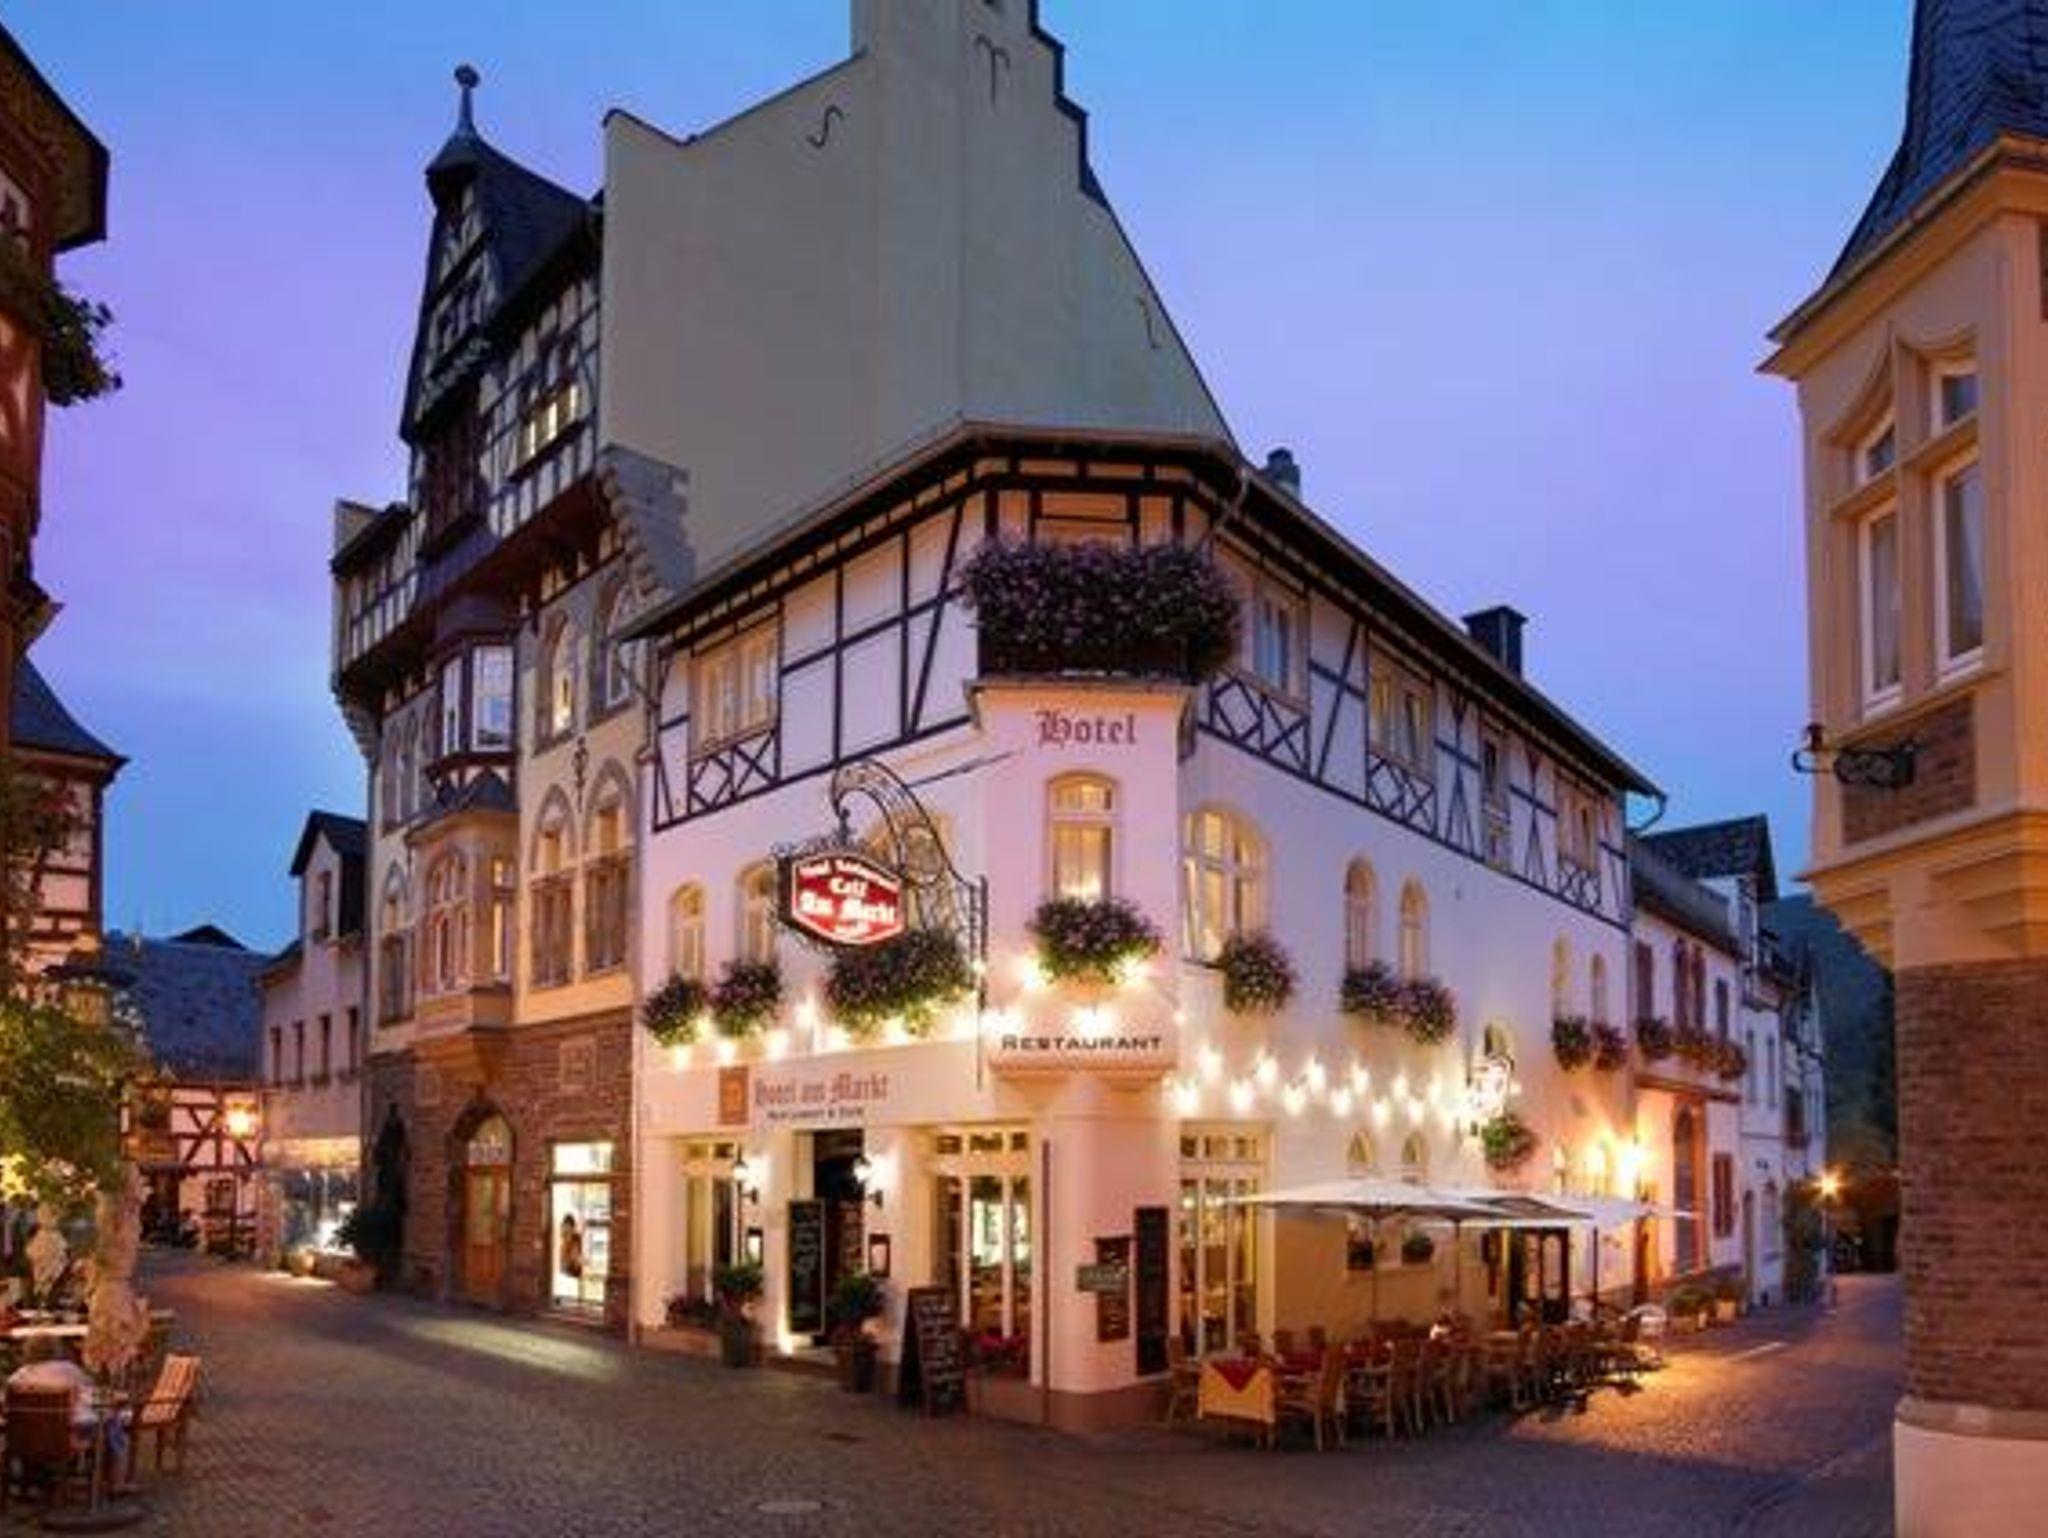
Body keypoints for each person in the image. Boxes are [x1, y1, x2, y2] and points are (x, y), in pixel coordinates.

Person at [7, 1334, 130, 1485]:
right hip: (63, 1439)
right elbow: (89, 1392)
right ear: (57, 1349)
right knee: (109, 1424)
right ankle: (115, 1481)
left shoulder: (18, 1377)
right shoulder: (69, 1371)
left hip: (24, 1441)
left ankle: (33, 1476)